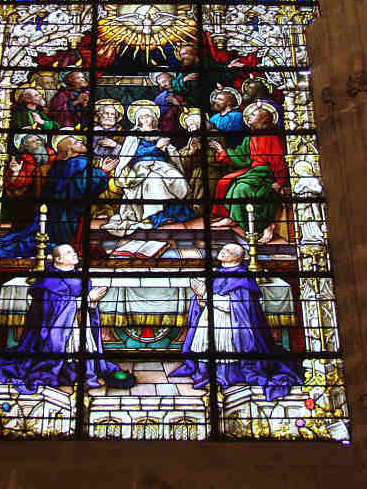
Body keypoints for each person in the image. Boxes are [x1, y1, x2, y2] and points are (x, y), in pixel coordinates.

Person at [170, 243, 302, 401]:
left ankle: (225, 376)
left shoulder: (242, 278)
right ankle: (206, 373)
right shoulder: (219, 272)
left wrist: (205, 294)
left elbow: (235, 307)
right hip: (211, 319)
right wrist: (200, 297)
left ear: (237, 257)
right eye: (223, 250)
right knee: (205, 345)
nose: (222, 252)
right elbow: (209, 299)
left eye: (227, 251)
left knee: (223, 348)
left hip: (229, 323)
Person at [0, 244, 119, 394]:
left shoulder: (79, 276)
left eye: (74, 251)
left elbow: (79, 302)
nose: (74, 254)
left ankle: (83, 373)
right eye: (69, 252)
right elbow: (54, 307)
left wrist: (91, 302)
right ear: (58, 259)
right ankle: (64, 373)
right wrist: (87, 299)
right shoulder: (49, 281)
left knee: (82, 347)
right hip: (55, 329)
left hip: (78, 323)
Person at [0, 136, 118, 257]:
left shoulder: (63, 165)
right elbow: (80, 188)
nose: (81, 141)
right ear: (69, 150)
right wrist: (102, 172)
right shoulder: (77, 164)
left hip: (61, 213)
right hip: (67, 216)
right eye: (76, 142)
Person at [101, 102, 194, 236]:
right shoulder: (133, 135)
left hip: (162, 165)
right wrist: (156, 147)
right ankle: (156, 217)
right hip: (141, 168)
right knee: (153, 180)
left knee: (176, 177)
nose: (145, 119)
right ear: (137, 120)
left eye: (147, 116)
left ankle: (172, 213)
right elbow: (132, 154)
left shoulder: (160, 134)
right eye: (141, 117)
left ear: (153, 118)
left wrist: (168, 149)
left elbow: (170, 155)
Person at [210, 103, 287, 243]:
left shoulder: (272, 137)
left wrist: (279, 182)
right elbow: (242, 156)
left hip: (267, 173)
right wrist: (222, 151)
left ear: (263, 120)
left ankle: (262, 226)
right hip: (253, 171)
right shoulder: (250, 137)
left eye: (253, 115)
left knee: (241, 188)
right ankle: (231, 217)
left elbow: (279, 161)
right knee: (224, 181)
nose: (248, 117)